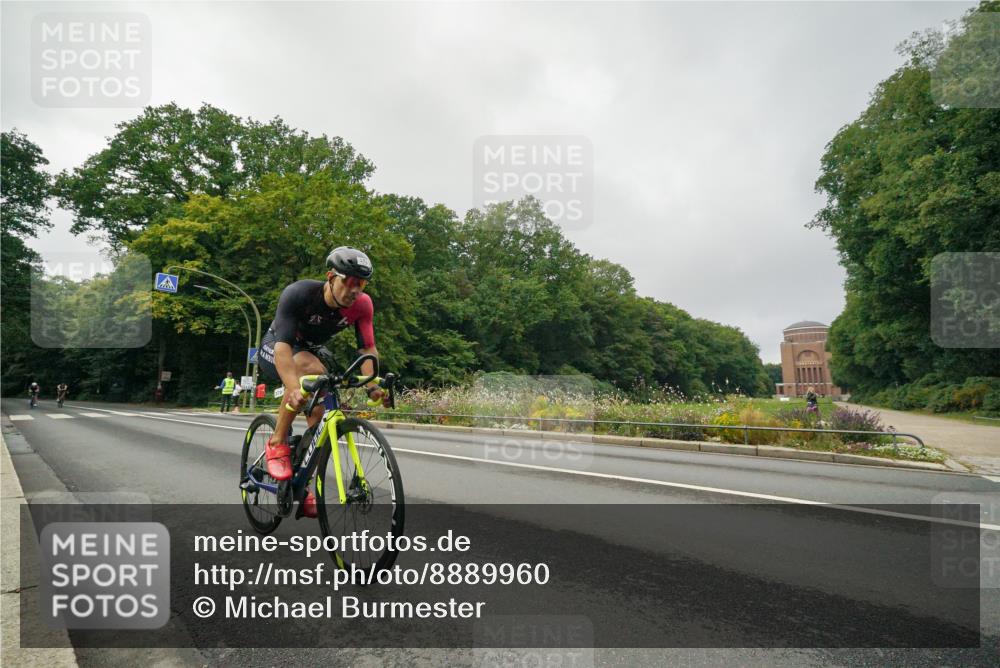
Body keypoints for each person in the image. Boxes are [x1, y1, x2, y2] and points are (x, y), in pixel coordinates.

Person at [257, 247, 389, 518]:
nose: (355, 290)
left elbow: (367, 349)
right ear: (331, 277)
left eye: (361, 284)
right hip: (277, 346)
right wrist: (293, 388)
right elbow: (283, 348)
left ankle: (301, 486)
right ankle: (277, 441)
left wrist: (372, 385)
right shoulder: (300, 294)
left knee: (320, 418)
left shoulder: (362, 305)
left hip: (311, 349)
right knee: (312, 370)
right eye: (349, 281)